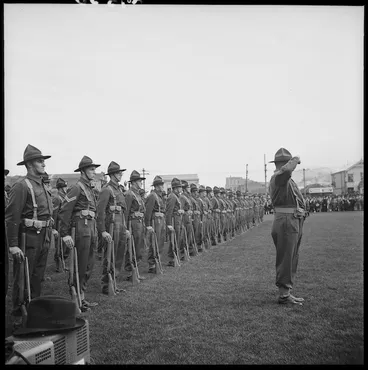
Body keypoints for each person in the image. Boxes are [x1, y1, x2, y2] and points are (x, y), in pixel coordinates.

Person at [5, 145, 56, 319]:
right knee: (23, 277)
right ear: (29, 164)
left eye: (43, 160)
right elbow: (11, 217)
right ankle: (19, 315)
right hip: (29, 238)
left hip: (44, 236)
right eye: (39, 161)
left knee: (37, 276)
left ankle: (33, 310)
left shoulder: (42, 185)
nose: (43, 164)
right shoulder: (21, 186)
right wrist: (12, 245)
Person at [58, 155, 100, 312]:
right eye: (91, 169)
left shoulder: (89, 188)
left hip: (90, 227)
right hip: (81, 228)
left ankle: (82, 296)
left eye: (94, 169)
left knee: (89, 263)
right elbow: (64, 211)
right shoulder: (77, 188)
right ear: (83, 171)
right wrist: (65, 234)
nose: (94, 172)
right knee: (80, 263)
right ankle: (76, 297)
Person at [269, 147, 307, 305]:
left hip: (291, 219)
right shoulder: (279, 176)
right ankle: (284, 294)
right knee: (286, 257)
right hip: (286, 220)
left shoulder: (285, 179)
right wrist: (296, 158)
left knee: (291, 256)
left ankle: (287, 291)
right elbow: (286, 171)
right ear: (285, 164)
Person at [97, 161, 129, 294]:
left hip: (120, 225)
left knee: (119, 254)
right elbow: (100, 212)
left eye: (120, 172)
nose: (120, 174)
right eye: (118, 173)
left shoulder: (119, 189)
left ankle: (113, 282)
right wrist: (103, 231)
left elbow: (123, 211)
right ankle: (106, 284)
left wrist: (125, 227)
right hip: (111, 225)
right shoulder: (106, 189)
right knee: (110, 254)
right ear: (112, 175)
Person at [124, 170, 146, 279]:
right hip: (132, 223)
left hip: (139, 222)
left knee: (139, 246)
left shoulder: (137, 193)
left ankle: (135, 270)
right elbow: (126, 212)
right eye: (139, 181)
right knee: (132, 246)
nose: (140, 182)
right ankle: (130, 271)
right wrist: (126, 228)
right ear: (133, 182)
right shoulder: (129, 194)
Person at [144, 175, 166, 273]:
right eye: (160, 185)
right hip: (155, 220)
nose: (162, 186)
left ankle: (157, 260)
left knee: (160, 241)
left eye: (162, 185)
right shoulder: (152, 196)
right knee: (154, 242)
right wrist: (148, 225)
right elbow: (148, 211)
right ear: (156, 186)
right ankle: (152, 264)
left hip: (160, 220)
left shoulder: (160, 196)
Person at [52, 177, 70, 272]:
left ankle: (62, 263)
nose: (66, 188)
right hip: (59, 224)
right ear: (61, 188)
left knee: (66, 246)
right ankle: (59, 266)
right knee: (59, 247)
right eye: (64, 187)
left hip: (65, 224)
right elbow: (54, 214)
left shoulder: (65, 197)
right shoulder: (57, 198)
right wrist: (54, 228)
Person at [165, 178, 184, 266]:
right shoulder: (172, 196)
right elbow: (169, 212)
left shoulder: (176, 196)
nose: (181, 189)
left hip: (177, 220)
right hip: (174, 220)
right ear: (176, 188)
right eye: (180, 187)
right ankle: (171, 258)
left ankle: (174, 256)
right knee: (174, 239)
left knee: (177, 239)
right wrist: (169, 225)